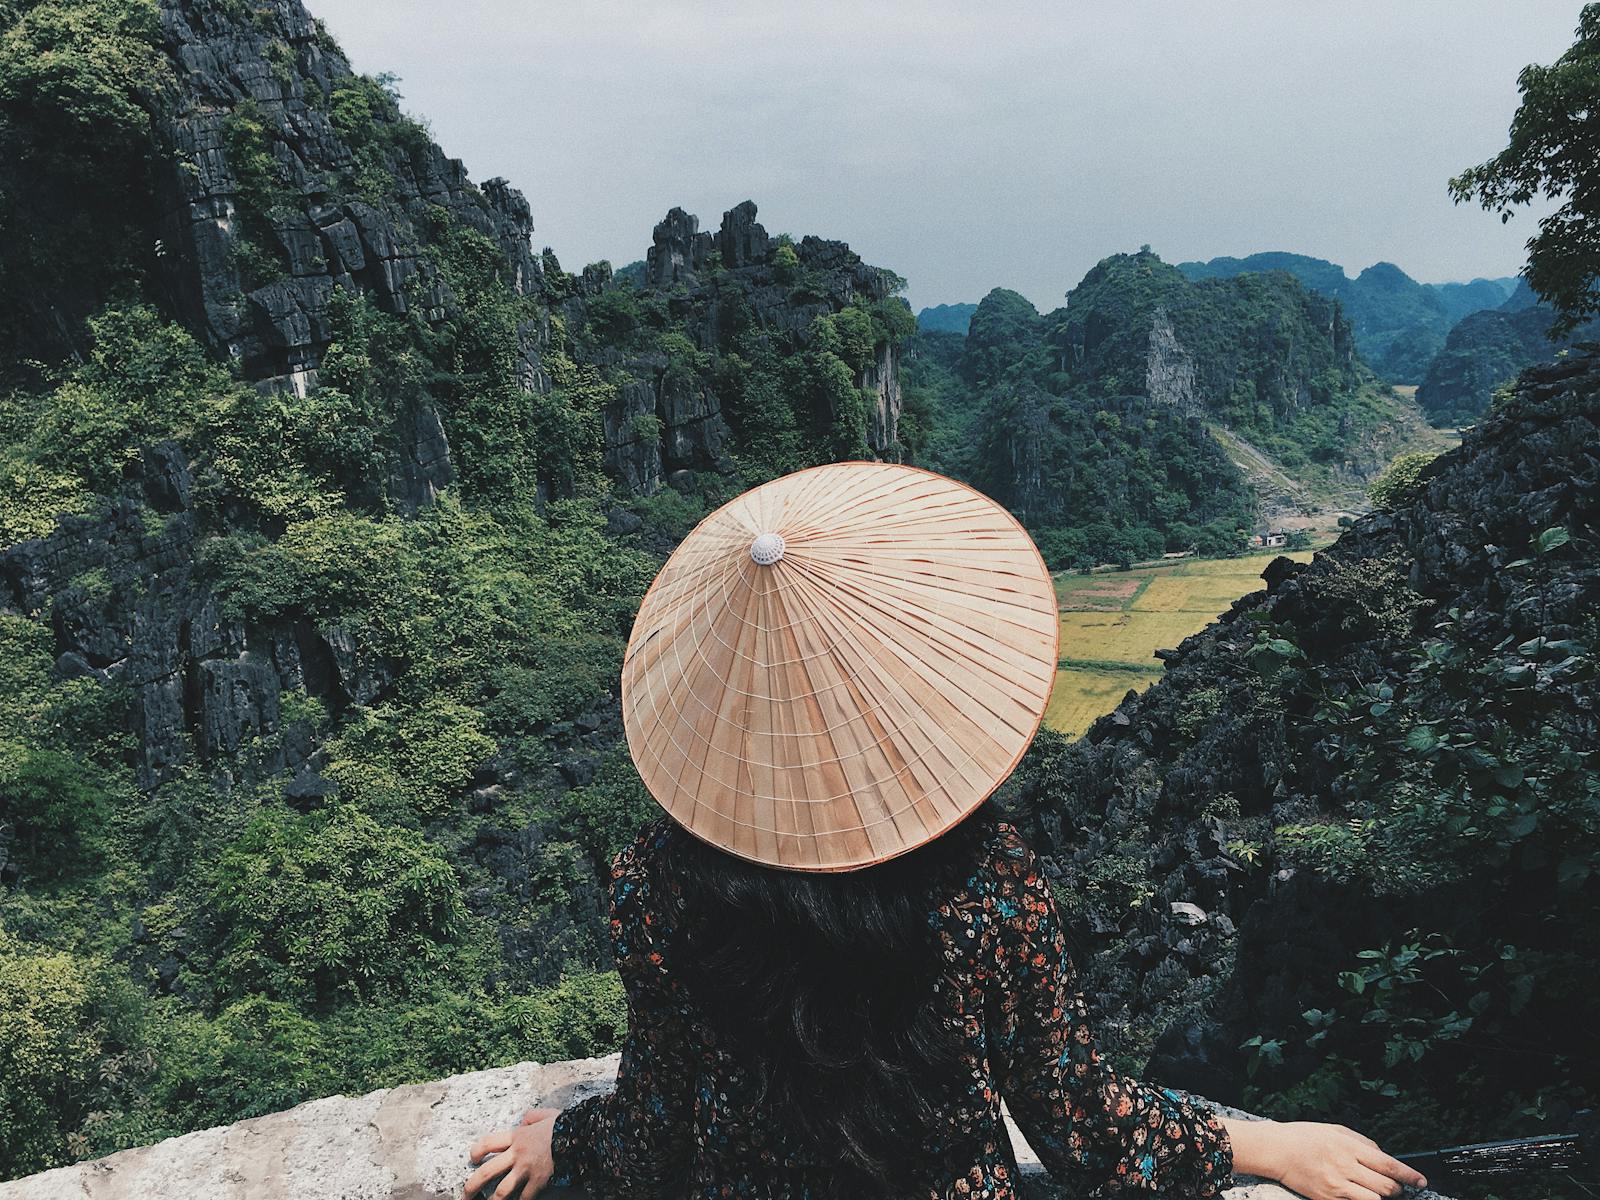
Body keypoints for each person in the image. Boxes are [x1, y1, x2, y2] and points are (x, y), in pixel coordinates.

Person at [461, 463, 1429, 1200]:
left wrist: (567, 1140)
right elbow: (1079, 1128)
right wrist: (1264, 1144)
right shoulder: (985, 880)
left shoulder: (653, 884)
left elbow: (658, 1126)